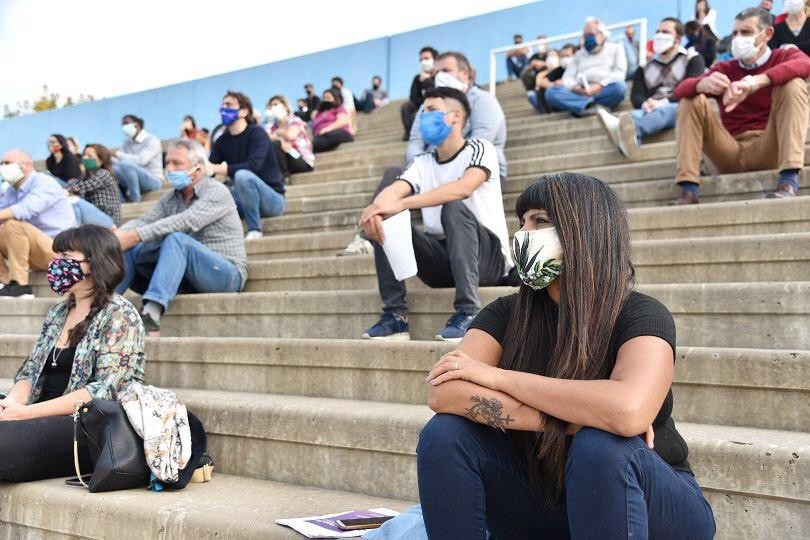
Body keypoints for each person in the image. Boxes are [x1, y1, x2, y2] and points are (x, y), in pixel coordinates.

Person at [416, 173, 716, 538]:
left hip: (652, 504)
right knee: (446, 434)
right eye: (522, 221)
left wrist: (499, 378)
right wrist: (581, 416)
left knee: (602, 445)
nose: (524, 234)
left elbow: (627, 410)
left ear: (585, 231)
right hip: (548, 504)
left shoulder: (641, 314)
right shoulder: (504, 314)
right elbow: (444, 392)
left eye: (540, 221)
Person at [358, 88, 514, 342]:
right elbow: (394, 191)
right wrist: (376, 209)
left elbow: (463, 188)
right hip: (443, 263)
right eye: (422, 112)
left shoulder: (480, 148)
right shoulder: (423, 161)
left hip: (487, 260)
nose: (422, 118)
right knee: (384, 216)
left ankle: (468, 312)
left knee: (452, 207)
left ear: (455, 116)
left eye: (430, 110)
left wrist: (402, 204)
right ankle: (396, 317)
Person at [0, 224, 145, 482]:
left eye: (66, 258)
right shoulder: (59, 312)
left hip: (84, 425)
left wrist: (25, 414)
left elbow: (104, 390)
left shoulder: (120, 315)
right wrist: (14, 404)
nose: (56, 264)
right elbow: (31, 369)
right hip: (35, 412)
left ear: (93, 262)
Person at [339, 50, 508, 257]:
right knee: (394, 174)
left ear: (466, 74)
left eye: (446, 70)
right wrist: (422, 169)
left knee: (450, 205)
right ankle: (369, 235)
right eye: (436, 72)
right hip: (436, 171)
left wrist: (408, 195)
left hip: (475, 175)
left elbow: (481, 141)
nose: (439, 76)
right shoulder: (427, 106)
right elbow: (415, 142)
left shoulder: (483, 100)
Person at [671, 7, 810, 205]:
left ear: (767, 34)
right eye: (735, 33)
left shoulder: (781, 56)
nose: (737, 39)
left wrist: (755, 82)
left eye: (746, 32)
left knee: (793, 84)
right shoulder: (724, 68)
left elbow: (805, 64)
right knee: (690, 99)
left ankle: (788, 181)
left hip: (768, 147)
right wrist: (700, 84)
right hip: (728, 150)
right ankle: (689, 191)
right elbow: (679, 91)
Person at [115, 139, 247, 336]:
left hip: (226, 274)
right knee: (129, 249)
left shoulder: (217, 191)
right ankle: (101, 305)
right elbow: (144, 220)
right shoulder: (171, 197)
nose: (169, 168)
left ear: (198, 168)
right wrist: (116, 237)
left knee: (176, 239)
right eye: (167, 163)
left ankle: (151, 313)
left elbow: (185, 221)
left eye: (177, 163)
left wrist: (134, 236)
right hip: (187, 277)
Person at [597, 18, 706, 158]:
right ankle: (630, 140)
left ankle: (628, 129)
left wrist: (663, 102)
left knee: (670, 109)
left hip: (679, 105)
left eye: (665, 32)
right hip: (650, 107)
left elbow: (691, 87)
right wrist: (645, 104)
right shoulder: (643, 68)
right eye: (657, 32)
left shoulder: (693, 59)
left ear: (678, 38)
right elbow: (636, 96)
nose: (659, 35)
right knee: (635, 114)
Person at [209, 90, 285, 241]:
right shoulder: (222, 141)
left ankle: (255, 229)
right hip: (243, 200)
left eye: (229, 104)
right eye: (223, 105)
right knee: (210, 190)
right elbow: (210, 168)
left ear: (243, 111)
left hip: (271, 200)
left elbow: (253, 166)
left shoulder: (257, 134)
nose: (223, 108)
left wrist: (222, 169)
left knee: (242, 176)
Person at [0, 149, 77, 298]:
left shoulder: (44, 182)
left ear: (27, 165)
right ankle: (3, 282)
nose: (3, 167)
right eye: (1, 163)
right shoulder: (11, 190)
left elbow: (25, 209)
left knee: (12, 224)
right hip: (34, 251)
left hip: (61, 251)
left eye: (7, 163)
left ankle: (20, 286)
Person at [545, 17, 628, 117]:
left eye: (590, 34)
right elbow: (567, 77)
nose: (587, 38)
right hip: (580, 92)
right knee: (551, 92)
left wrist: (599, 86)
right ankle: (591, 106)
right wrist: (576, 87)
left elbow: (619, 73)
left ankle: (581, 106)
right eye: (585, 35)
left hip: (603, 90)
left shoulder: (616, 48)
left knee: (620, 88)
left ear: (601, 34)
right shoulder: (579, 55)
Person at [67, 144, 122, 226]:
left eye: (89, 156)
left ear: (101, 161)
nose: (85, 158)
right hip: (94, 217)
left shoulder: (104, 174)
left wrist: (67, 191)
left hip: (109, 221)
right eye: (84, 155)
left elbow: (86, 186)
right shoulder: (85, 177)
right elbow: (76, 184)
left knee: (75, 201)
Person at [113, 114, 164, 203]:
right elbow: (117, 161)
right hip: (134, 180)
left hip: (153, 180)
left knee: (125, 164)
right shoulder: (127, 142)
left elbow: (142, 160)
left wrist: (117, 154)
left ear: (137, 125)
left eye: (126, 124)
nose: (124, 127)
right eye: (123, 125)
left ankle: (135, 199)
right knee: (112, 168)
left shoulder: (152, 140)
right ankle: (121, 200)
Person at [265, 95, 315, 180]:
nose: (273, 107)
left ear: (285, 107)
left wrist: (278, 133)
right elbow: (265, 138)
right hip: (285, 159)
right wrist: (281, 139)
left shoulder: (295, 120)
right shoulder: (271, 126)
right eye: (271, 106)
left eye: (276, 104)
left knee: (276, 144)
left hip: (299, 158)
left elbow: (290, 135)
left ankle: (283, 177)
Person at [526, 44, 577, 113]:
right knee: (534, 94)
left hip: (572, 94)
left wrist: (564, 84)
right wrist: (555, 85)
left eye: (567, 56)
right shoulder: (558, 70)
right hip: (552, 98)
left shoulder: (578, 67)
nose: (565, 59)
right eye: (563, 56)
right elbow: (541, 84)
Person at [401, 47, 438, 141]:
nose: (423, 62)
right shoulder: (417, 78)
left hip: (436, 108)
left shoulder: (440, 75)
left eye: (426, 58)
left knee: (417, 116)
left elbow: (437, 95)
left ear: (435, 59)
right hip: (422, 106)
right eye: (421, 60)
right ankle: (409, 133)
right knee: (406, 107)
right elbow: (413, 97)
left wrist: (427, 81)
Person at [311, 88, 355, 153]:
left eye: (328, 97)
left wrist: (327, 129)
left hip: (338, 133)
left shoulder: (338, 108)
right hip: (320, 137)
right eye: (324, 98)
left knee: (321, 140)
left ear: (334, 99)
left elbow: (342, 120)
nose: (326, 99)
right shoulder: (318, 114)